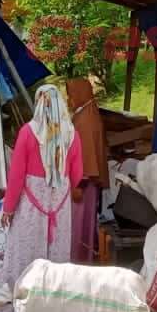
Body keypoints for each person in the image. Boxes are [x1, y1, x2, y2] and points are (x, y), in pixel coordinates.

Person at [0, 85, 83, 312]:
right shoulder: (71, 134)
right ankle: (52, 305)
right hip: (60, 203)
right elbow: (77, 175)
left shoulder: (28, 132)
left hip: (31, 202)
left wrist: (8, 208)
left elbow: (16, 176)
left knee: (26, 248)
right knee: (56, 249)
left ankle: (21, 303)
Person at [65, 78, 108, 264]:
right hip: (86, 181)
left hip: (82, 182)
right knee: (86, 221)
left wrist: (77, 183)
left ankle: (78, 259)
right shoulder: (88, 113)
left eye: (71, 95)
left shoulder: (85, 120)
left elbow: (85, 155)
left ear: (80, 94)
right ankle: (84, 256)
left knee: (79, 223)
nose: (69, 100)